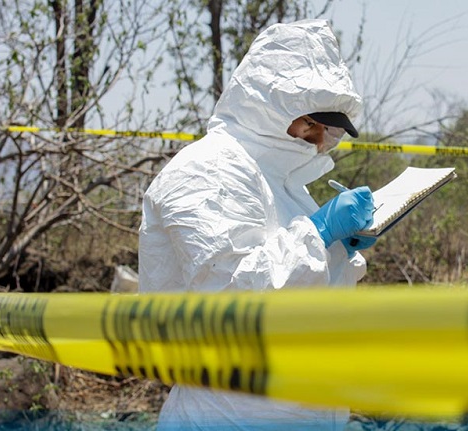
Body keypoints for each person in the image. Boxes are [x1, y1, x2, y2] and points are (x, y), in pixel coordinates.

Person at [138, 19, 376, 430]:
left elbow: (300, 296)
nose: (317, 137)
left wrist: (339, 249)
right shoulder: (207, 171)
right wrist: (319, 233)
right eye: (311, 122)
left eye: (326, 127)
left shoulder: (280, 183)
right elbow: (230, 291)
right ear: (267, 104)